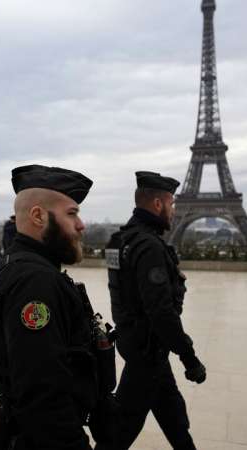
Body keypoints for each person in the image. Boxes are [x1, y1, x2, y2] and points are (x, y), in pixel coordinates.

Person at [0, 164, 113, 449]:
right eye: (71, 213)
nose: (81, 225)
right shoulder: (35, 282)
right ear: (38, 216)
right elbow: (43, 394)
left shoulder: (14, 267)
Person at [105, 171, 206, 450]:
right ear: (159, 204)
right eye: (172, 204)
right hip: (147, 351)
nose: (174, 211)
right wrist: (189, 357)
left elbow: (122, 294)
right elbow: (161, 311)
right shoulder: (149, 246)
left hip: (134, 342)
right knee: (121, 431)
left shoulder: (119, 240)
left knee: (174, 419)